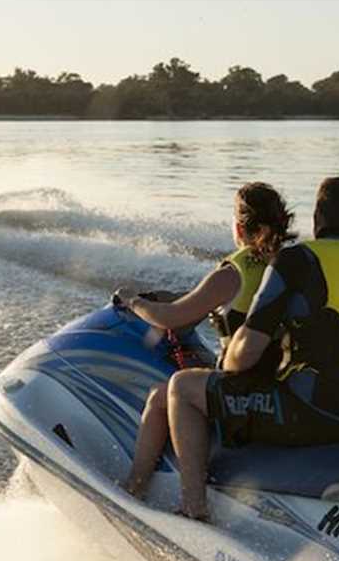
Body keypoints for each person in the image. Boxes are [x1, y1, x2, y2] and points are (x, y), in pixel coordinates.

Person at [164, 176, 339, 520]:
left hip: (311, 414)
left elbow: (243, 354)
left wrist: (225, 373)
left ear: (317, 216)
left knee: (183, 387)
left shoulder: (298, 261)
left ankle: (193, 507)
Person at [116, 182, 296, 502]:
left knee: (163, 394)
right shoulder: (293, 263)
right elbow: (200, 303)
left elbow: (172, 318)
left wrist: (134, 302)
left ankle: (153, 490)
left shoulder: (234, 271)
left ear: (239, 226)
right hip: (284, 385)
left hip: (244, 388)